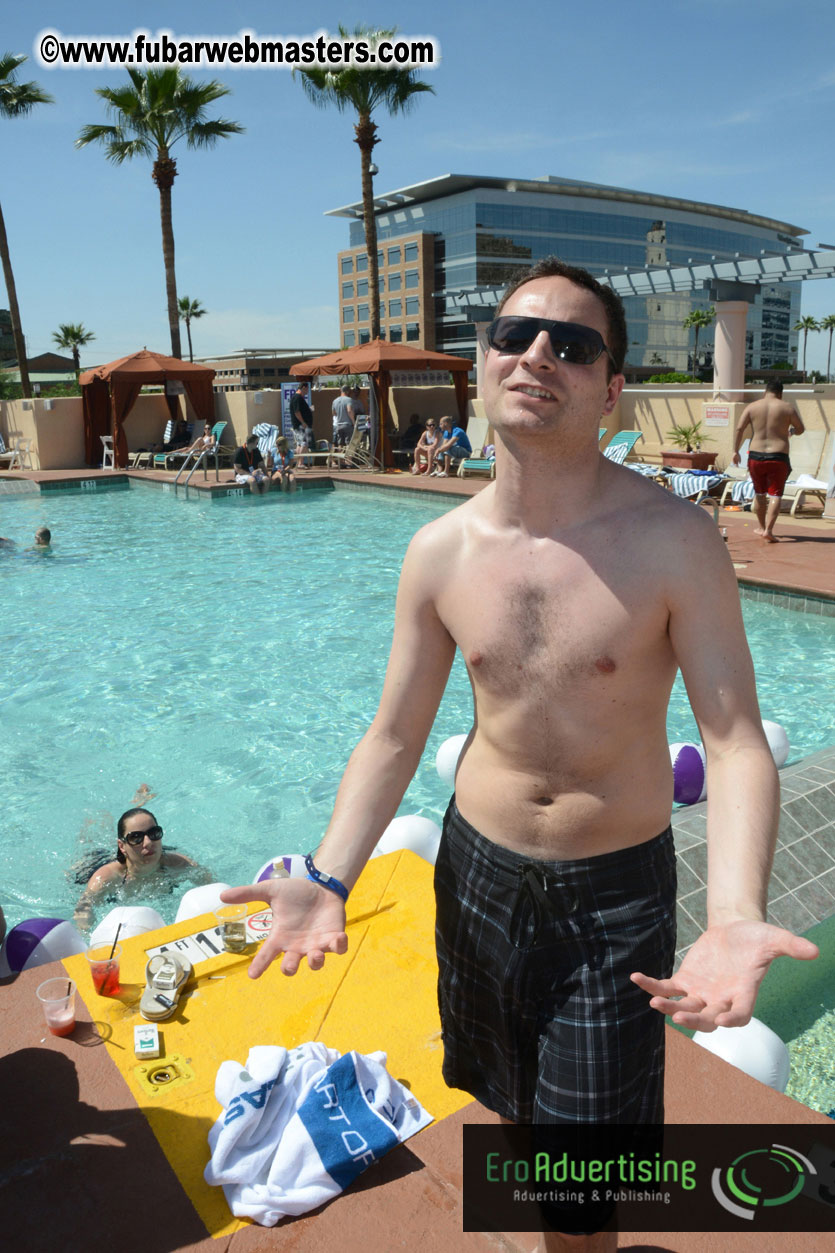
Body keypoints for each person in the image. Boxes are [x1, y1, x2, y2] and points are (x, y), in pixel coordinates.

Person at [221, 258, 817, 1249]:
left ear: (611, 387)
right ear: (482, 364)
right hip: (476, 876)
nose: (537, 353)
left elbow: (734, 737)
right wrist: (329, 871)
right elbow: (395, 733)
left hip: (610, 895)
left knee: (585, 1183)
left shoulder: (674, 541)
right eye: (514, 334)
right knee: (506, 1099)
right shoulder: (440, 550)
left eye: (573, 344)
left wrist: (733, 912)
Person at [74, 804, 211, 931]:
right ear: (121, 846)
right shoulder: (107, 877)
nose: (148, 842)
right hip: (99, 860)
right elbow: (83, 910)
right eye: (136, 837)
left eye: (154, 833)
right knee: (86, 850)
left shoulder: (179, 864)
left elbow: (211, 885)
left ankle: (138, 803)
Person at [733, 380, 805, 542]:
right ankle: (769, 530)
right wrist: (791, 431)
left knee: (759, 493)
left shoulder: (752, 407)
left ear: (765, 392)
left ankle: (761, 526)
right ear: (780, 393)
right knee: (776, 494)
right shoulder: (787, 408)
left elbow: (739, 428)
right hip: (778, 456)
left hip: (755, 456)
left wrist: (735, 451)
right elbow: (801, 428)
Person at [289, 383, 315, 453]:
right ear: (303, 388)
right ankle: (300, 463)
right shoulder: (297, 398)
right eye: (307, 390)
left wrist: (309, 410)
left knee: (300, 444)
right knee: (304, 443)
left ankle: (299, 462)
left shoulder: (298, 398)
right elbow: (297, 412)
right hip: (301, 426)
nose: (307, 392)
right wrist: (303, 422)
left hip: (301, 425)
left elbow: (301, 411)